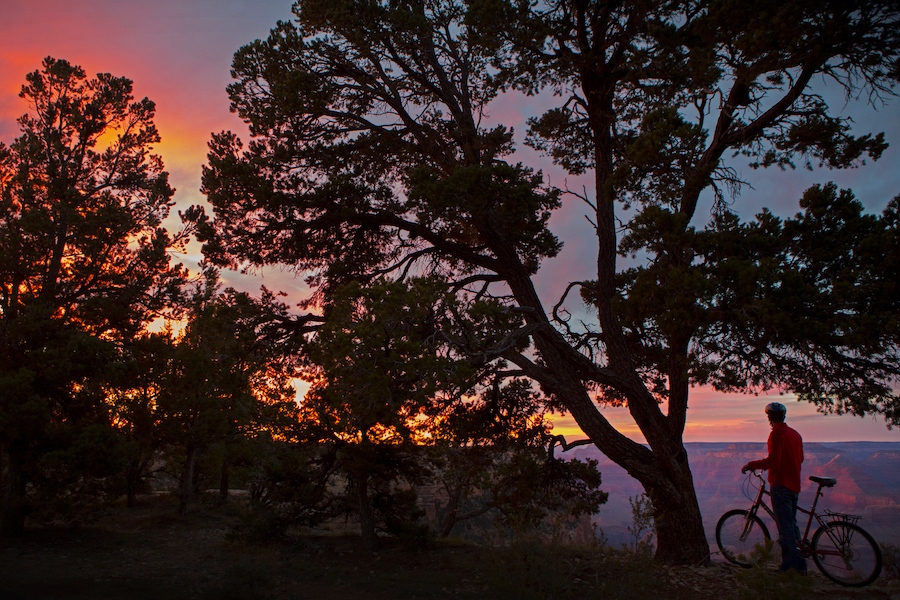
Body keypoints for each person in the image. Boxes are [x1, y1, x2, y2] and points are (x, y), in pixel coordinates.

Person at [741, 402, 807, 574]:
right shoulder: (795, 434)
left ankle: (788, 569)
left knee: (785, 529)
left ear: (769, 417)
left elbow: (772, 460)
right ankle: (801, 568)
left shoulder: (776, 434)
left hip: (781, 484)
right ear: (784, 416)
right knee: (792, 526)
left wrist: (751, 465)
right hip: (795, 484)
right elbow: (800, 458)